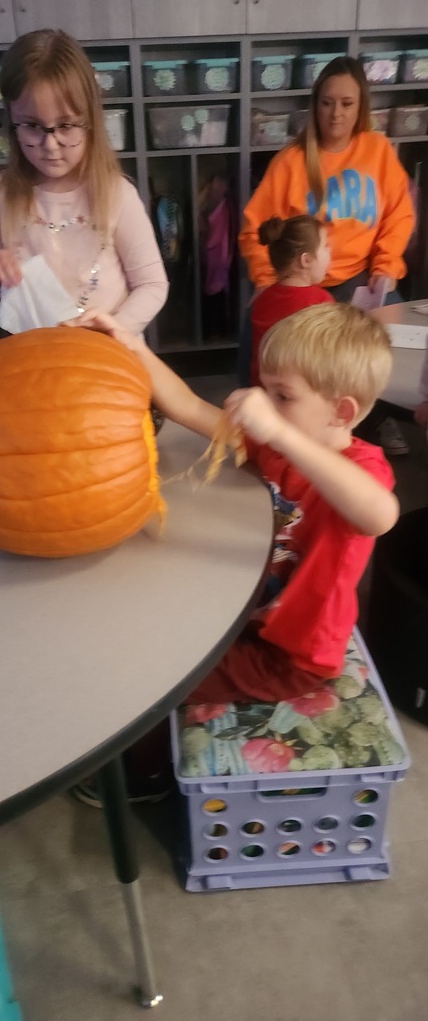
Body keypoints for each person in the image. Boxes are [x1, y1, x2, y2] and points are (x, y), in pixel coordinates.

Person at [63, 301, 398, 707]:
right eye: (265, 388)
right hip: (247, 617)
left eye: (283, 396)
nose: (265, 403)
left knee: (149, 687)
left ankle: (146, 765)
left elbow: (379, 514)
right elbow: (187, 406)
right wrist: (131, 344)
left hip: (293, 657)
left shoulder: (359, 469)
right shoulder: (274, 448)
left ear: (341, 412)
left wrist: (278, 432)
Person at [239, 55, 416, 456]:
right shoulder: (291, 161)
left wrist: (386, 267)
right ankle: (281, 425)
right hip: (302, 282)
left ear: (360, 107)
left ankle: (376, 417)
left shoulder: (378, 150)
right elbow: (254, 230)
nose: (336, 113)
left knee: (389, 350)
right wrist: (268, 279)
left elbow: (399, 214)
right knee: (286, 355)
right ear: (315, 105)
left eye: (347, 103)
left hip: (362, 281)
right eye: (327, 102)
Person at [0, 29, 168, 335]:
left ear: (90, 122)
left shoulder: (117, 194)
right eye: (33, 126)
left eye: (66, 125)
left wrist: (115, 333)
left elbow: (152, 284)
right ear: (12, 120)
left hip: (108, 354)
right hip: (36, 354)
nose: (51, 145)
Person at [249, 214, 334, 385]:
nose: (330, 251)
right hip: (298, 396)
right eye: (325, 246)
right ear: (306, 260)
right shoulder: (322, 302)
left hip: (263, 392)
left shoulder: (262, 299)